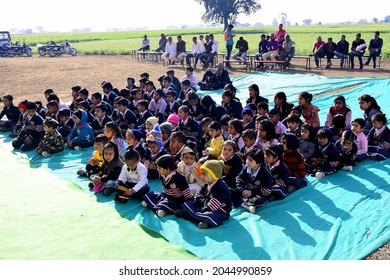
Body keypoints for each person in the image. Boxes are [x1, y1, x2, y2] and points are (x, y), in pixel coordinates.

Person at [176, 159, 232, 229]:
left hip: (220, 211)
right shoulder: (206, 184)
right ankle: (198, 217)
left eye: (204, 174)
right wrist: (204, 202)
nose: (201, 176)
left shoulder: (221, 188)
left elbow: (213, 206)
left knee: (212, 215)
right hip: (205, 206)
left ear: (213, 174)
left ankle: (191, 216)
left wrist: (202, 207)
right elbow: (197, 196)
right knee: (189, 203)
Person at [236, 148, 273, 214]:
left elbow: (267, 190)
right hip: (246, 191)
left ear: (258, 162)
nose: (247, 161)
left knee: (261, 199)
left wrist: (252, 192)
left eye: (250, 160)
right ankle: (246, 204)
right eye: (247, 159)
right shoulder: (246, 167)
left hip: (257, 194)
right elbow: (239, 178)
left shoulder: (265, 174)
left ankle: (250, 204)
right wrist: (242, 190)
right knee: (231, 191)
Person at [219, 140, 243, 207]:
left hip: (234, 182)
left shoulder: (236, 160)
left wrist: (223, 179)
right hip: (223, 180)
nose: (226, 151)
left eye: (229, 150)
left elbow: (235, 173)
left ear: (234, 152)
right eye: (224, 149)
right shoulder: (220, 159)